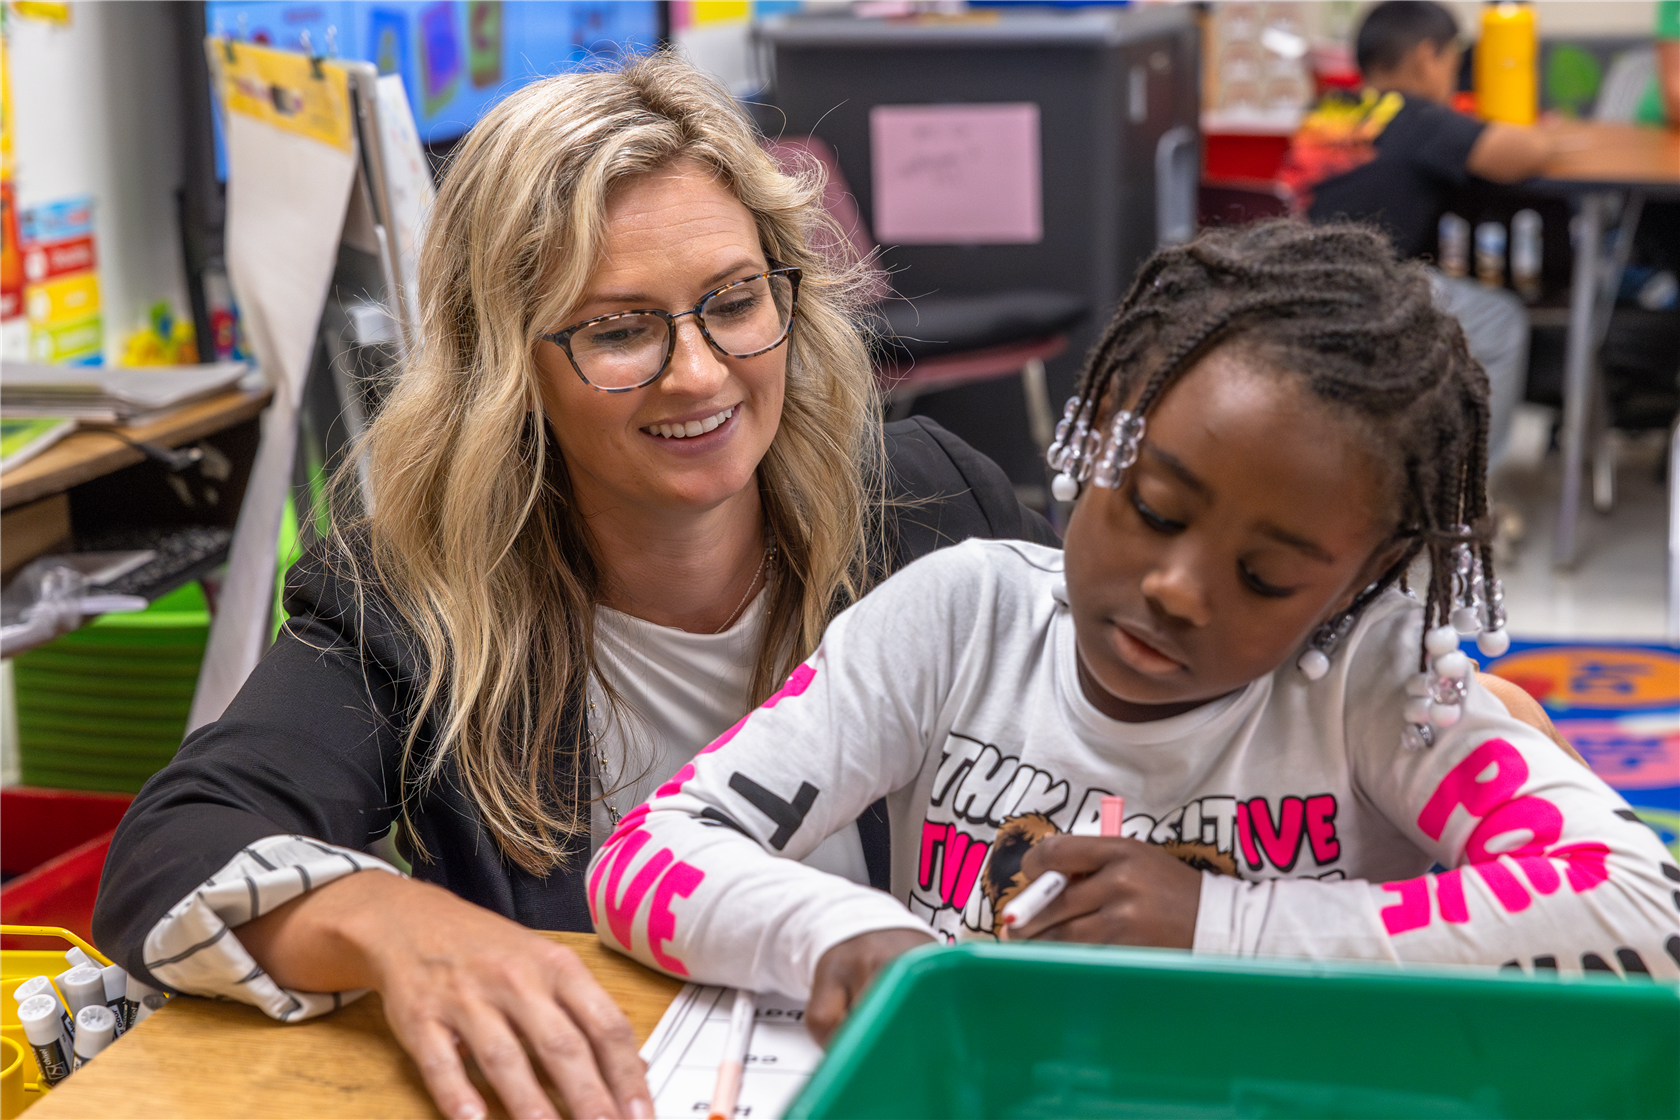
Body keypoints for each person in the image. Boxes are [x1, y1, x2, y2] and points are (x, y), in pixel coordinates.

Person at [92, 53, 1055, 1120]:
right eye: (619, 329)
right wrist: (396, 924)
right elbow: (172, 848)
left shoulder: (931, 510)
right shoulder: (412, 598)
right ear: (505, 366)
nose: (698, 372)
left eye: (734, 302)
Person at [588, 222, 1680, 1044]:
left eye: (1268, 576)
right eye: (1155, 507)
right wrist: (850, 936)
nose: (1176, 588)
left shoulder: (1378, 685)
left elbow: (1644, 918)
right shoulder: (958, 618)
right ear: (1095, 427)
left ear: (1363, 580)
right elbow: (649, 854)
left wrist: (1223, 924)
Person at [1279, 0, 1554, 470]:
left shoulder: (1329, 110)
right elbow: (1520, 154)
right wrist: (1548, 133)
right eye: (1452, 60)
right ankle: (1475, 492)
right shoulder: (1418, 117)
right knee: (1501, 319)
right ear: (1429, 58)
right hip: (1369, 293)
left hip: (1295, 285)